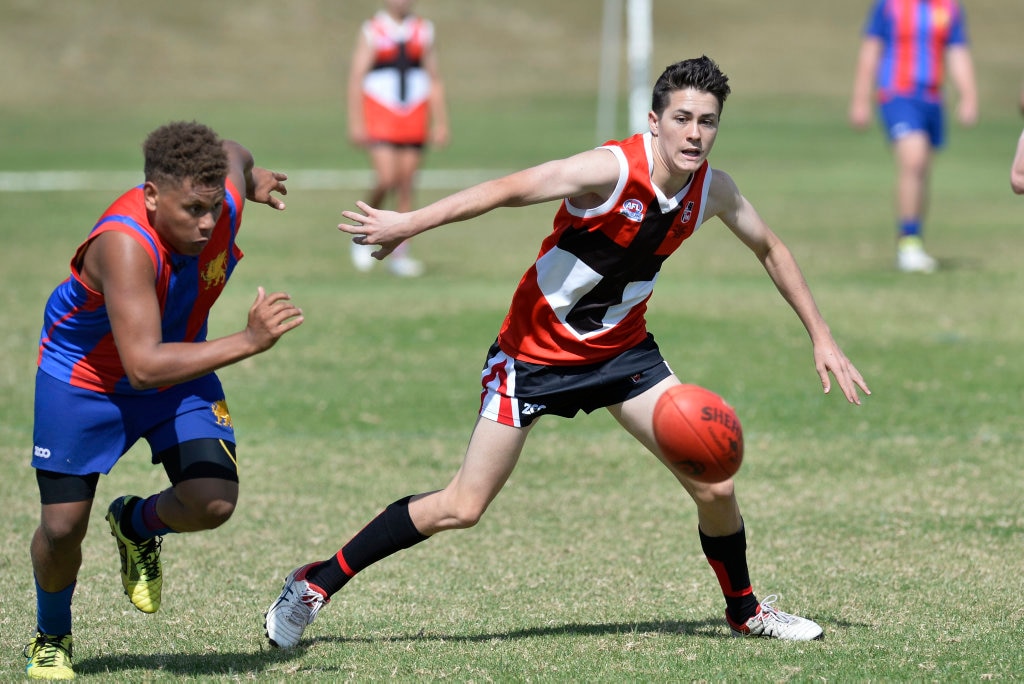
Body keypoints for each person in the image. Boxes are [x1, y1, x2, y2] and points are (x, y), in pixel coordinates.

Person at [265, 55, 870, 650]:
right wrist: (410, 223)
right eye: (682, 118)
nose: (695, 133)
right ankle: (313, 584)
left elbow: (770, 247)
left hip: (623, 355)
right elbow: (510, 189)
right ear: (654, 120)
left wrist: (821, 334)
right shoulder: (609, 170)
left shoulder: (713, 189)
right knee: (463, 505)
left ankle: (745, 611)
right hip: (532, 357)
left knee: (714, 482)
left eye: (708, 121)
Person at [25, 121, 303, 680]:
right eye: (191, 210)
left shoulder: (219, 198)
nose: (206, 224)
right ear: (151, 196)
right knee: (61, 531)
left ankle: (136, 524)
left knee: (212, 501)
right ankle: (51, 636)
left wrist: (251, 179)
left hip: (174, 363)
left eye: (212, 208)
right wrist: (248, 341)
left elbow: (235, 151)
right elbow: (142, 367)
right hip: (85, 381)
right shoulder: (124, 245)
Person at [849, 0, 977, 273]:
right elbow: (871, 50)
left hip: (932, 99)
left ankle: (914, 239)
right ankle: (908, 244)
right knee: (913, 160)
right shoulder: (890, 5)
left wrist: (968, 95)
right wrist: (860, 99)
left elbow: (957, 51)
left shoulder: (949, 7)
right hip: (897, 94)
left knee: (922, 170)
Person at [346, 0, 450, 278]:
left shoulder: (424, 30)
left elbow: (434, 77)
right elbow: (357, 78)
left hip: (414, 112)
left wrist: (441, 122)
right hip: (380, 112)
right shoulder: (373, 30)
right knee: (386, 178)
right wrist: (356, 123)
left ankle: (400, 253)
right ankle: (362, 235)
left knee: (406, 185)